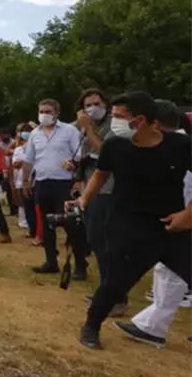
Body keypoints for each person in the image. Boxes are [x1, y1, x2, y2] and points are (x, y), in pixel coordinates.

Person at [76, 91, 191, 350]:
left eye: (119, 116)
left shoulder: (180, 146)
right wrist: (84, 199)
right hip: (128, 226)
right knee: (115, 282)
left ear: (140, 120)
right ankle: (91, 327)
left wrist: (188, 215)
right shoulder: (114, 145)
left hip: (171, 226)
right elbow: (100, 175)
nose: (113, 121)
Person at [112, 100, 192, 347]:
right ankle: (151, 325)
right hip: (178, 217)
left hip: (181, 218)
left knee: (170, 273)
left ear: (154, 121)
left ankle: (152, 327)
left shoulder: (180, 148)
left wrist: (185, 216)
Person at [72, 89, 126, 314]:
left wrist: (87, 127)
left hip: (110, 190)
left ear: (105, 103)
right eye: (87, 105)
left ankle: (117, 298)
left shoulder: (116, 125)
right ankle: (107, 293)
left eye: (96, 103)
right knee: (96, 242)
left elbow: (105, 151)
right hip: (93, 191)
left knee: (106, 244)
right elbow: (88, 156)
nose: (92, 108)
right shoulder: (91, 127)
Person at [21, 99, 88, 278]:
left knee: (70, 224)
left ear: (56, 113)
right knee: (46, 224)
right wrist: (26, 181)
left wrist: (74, 164)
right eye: (41, 110)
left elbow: (80, 154)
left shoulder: (69, 131)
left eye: (48, 111)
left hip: (63, 183)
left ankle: (80, 264)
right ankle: (51, 261)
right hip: (42, 183)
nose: (44, 114)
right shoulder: (35, 134)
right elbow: (29, 160)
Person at [10, 124, 35, 238]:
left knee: (36, 207)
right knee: (27, 206)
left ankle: (39, 231)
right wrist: (27, 162)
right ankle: (32, 230)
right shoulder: (19, 149)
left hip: (35, 180)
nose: (26, 133)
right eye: (24, 131)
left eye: (28, 131)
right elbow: (15, 164)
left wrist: (23, 162)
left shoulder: (36, 147)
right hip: (21, 180)